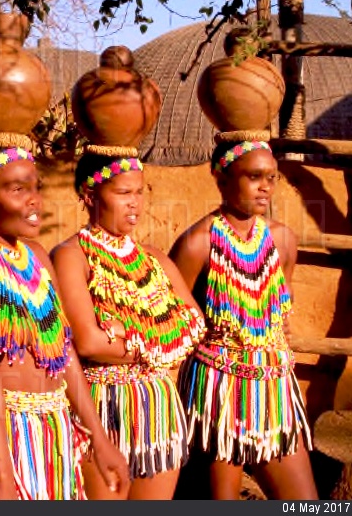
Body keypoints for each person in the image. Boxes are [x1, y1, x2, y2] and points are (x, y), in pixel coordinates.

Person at [0, 140, 131, 500]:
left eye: (36, 188)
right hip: (8, 434)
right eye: (18, 189)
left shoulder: (37, 256)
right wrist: (2, 474)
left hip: (55, 428)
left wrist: (98, 437)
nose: (34, 200)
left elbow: (63, 352)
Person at [49, 148, 206, 499]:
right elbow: (89, 343)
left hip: (159, 412)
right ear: (90, 195)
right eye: (122, 193)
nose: (134, 202)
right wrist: (161, 335)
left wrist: (127, 335)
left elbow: (195, 327)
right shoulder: (71, 256)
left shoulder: (154, 259)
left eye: (139, 192)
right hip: (102, 409)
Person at [169, 139, 318, 500]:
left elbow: (279, 310)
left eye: (272, 177)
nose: (265, 186)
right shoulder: (196, 245)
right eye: (254, 176)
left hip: (275, 395)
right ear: (221, 179)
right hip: (217, 399)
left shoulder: (283, 240)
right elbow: (174, 326)